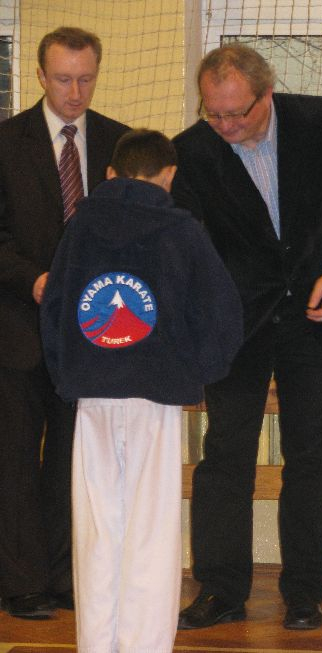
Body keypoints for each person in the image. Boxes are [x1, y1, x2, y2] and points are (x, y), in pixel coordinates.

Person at [172, 43, 322, 631]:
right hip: (237, 325)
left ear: (266, 94)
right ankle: (220, 590)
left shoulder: (320, 122)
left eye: (236, 113)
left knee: (312, 458)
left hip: (317, 319)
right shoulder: (191, 151)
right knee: (225, 458)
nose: (224, 126)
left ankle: (304, 592)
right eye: (214, 114)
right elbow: (190, 246)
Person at [40, 128, 243, 652]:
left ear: (111, 174)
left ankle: (96, 644)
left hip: (93, 396)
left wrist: (68, 375)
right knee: (151, 532)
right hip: (156, 395)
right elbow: (221, 312)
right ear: (169, 175)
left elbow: (56, 308)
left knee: (97, 530)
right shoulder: (182, 231)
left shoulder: (79, 228)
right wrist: (201, 371)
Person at [0, 27, 129, 620]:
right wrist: (33, 279)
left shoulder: (120, 143)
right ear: (40, 76)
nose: (75, 92)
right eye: (63, 79)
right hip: (18, 329)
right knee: (15, 457)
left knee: (74, 461)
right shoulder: (7, 143)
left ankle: (63, 575)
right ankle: (21, 582)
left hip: (91, 334)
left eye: (85, 79)